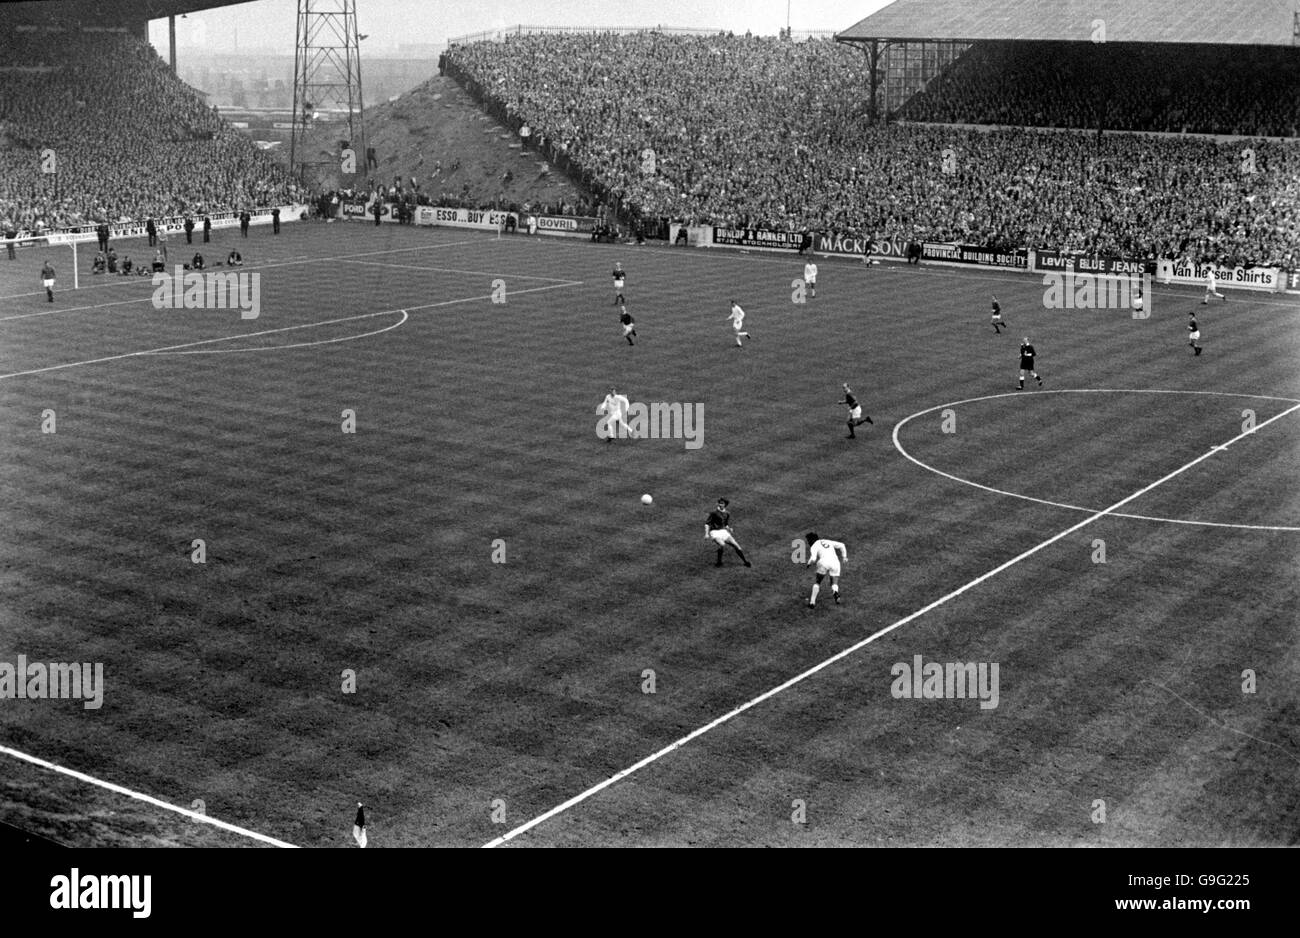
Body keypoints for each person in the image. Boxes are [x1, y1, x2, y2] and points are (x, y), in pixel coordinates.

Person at [705, 498, 751, 567]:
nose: (720, 504)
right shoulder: (714, 513)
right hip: (714, 532)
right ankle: (719, 562)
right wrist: (706, 533)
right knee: (722, 544)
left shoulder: (727, 513)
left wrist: (729, 528)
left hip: (723, 532)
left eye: (722, 503)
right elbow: (707, 524)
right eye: (719, 503)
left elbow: (725, 524)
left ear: (725, 505)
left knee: (736, 545)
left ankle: (745, 562)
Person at [805, 532, 847, 606]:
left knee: (818, 582)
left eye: (808, 541)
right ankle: (835, 592)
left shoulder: (814, 546)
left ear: (811, 540)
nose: (808, 543)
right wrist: (844, 557)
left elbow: (813, 558)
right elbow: (842, 545)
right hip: (835, 562)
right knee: (834, 582)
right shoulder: (827, 541)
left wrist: (809, 563)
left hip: (823, 562)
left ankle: (812, 602)